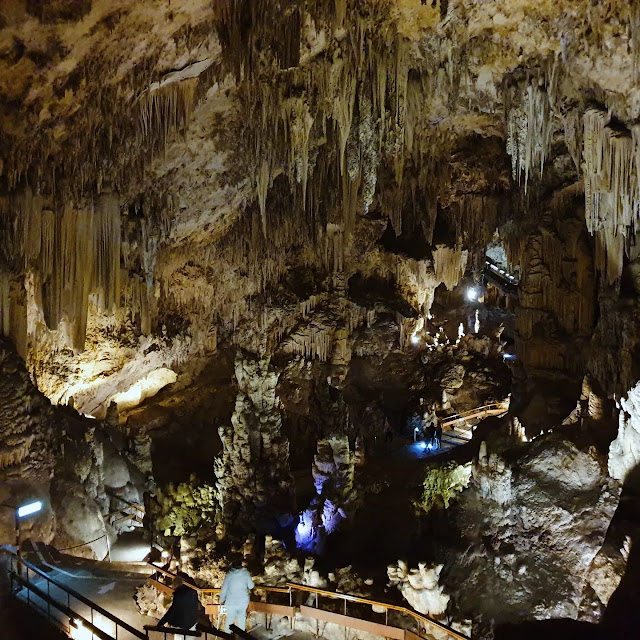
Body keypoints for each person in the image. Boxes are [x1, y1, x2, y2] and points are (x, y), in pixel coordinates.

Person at [158, 574, 200, 639]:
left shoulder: (179, 593)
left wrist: (161, 622)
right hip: (192, 622)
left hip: (182, 624)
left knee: (180, 637)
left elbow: (173, 609)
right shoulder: (193, 591)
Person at [220, 558, 254, 632]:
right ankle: (241, 636)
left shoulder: (229, 574)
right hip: (242, 601)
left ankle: (227, 636)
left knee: (229, 621)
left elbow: (224, 589)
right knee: (241, 620)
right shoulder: (246, 573)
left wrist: (221, 600)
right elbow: (251, 586)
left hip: (231, 602)